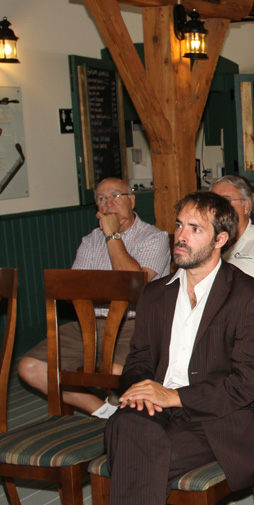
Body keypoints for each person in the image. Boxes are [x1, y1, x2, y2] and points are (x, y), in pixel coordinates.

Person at [100, 191, 254, 505]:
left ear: (220, 239)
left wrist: (172, 396)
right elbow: (138, 361)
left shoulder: (251, 297)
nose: (180, 235)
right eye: (179, 225)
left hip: (218, 420)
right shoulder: (156, 294)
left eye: (195, 229)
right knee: (127, 425)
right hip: (154, 414)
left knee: (130, 450)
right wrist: (141, 391)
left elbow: (244, 385)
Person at [17, 177, 170, 418]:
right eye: (101, 199)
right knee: (30, 367)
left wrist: (112, 236)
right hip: (90, 324)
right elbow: (74, 291)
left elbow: (134, 287)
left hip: (136, 324)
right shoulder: (89, 241)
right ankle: (103, 410)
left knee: (118, 373)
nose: (109, 203)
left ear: (131, 201)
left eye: (116, 196)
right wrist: (106, 289)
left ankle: (119, 403)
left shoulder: (154, 238)